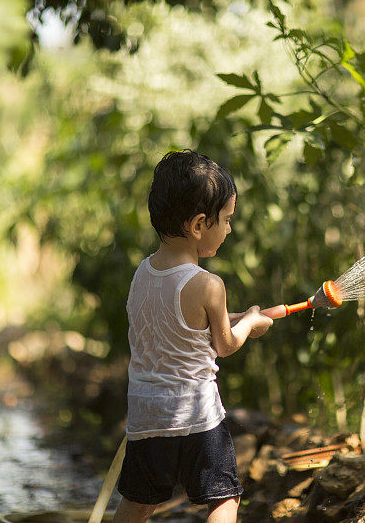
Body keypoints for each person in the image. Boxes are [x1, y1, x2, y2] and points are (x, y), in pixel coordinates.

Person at [113, 150, 273, 523]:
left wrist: (242, 316)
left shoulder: (142, 275)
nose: (230, 229)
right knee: (224, 499)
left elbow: (179, 328)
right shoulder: (208, 284)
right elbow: (224, 344)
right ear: (200, 224)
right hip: (197, 418)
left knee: (139, 502)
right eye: (227, 220)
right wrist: (248, 323)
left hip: (147, 416)